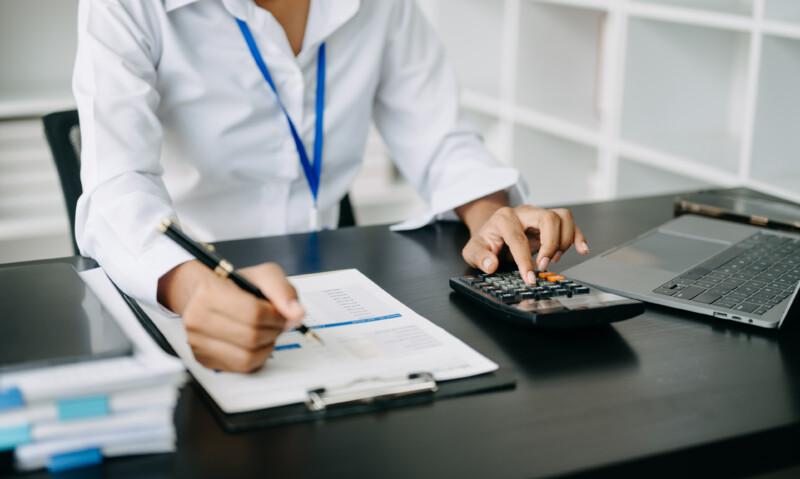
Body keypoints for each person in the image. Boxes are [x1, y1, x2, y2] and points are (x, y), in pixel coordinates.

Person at [73, 0, 589, 373]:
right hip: (187, 273)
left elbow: (440, 136)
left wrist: (490, 217)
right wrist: (192, 286)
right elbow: (117, 182)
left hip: (330, 283)